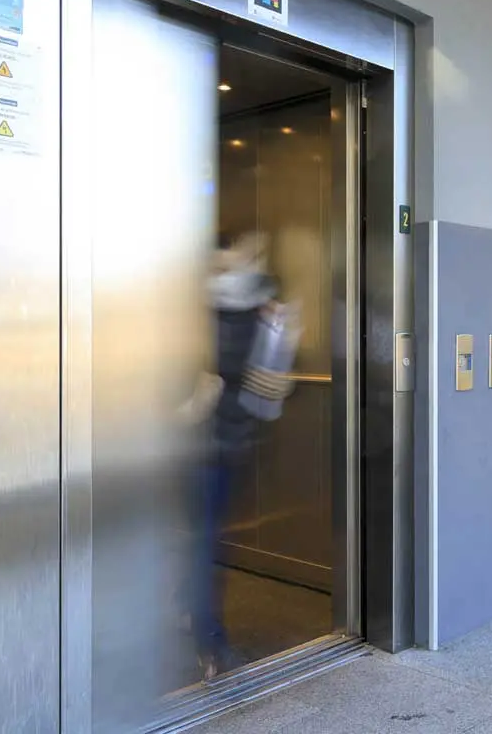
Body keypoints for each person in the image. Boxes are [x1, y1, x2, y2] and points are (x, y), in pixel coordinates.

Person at [189, 231, 278, 681]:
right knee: (202, 542)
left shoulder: (256, 306)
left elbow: (265, 385)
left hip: (221, 442)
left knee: (201, 540)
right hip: (203, 444)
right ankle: (210, 642)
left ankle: (200, 628)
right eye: (249, 250)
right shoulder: (209, 308)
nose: (254, 259)